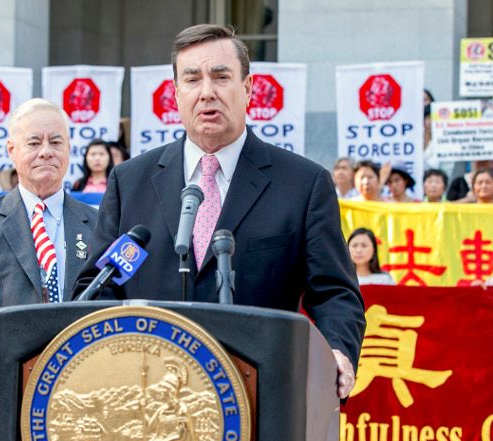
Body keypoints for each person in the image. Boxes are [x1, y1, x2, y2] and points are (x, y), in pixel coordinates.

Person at [73, 24, 365, 400]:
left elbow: (334, 293)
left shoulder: (303, 185)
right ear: (176, 94)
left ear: (247, 88)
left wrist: (337, 351)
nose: (207, 92)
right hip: (145, 398)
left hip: (259, 397)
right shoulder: (131, 181)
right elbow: (99, 287)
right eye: (192, 79)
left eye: (221, 76)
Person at [0, 99, 98, 441]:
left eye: (56, 142)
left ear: (69, 149)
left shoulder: (96, 222)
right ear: (12, 150)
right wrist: (23, 362)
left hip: (76, 400)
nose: (46, 151)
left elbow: (107, 302)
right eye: (34, 142)